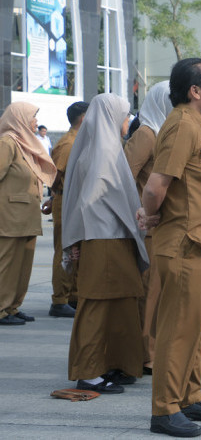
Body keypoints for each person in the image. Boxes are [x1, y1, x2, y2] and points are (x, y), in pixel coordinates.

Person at [138, 58, 201, 437]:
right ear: (195, 91)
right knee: (177, 330)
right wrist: (149, 216)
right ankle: (164, 409)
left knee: (193, 328)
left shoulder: (194, 125)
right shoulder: (181, 125)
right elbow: (155, 186)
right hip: (184, 243)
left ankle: (190, 396)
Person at [62, 93, 147, 393]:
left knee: (118, 303)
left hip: (112, 237)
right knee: (97, 305)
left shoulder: (104, 147)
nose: (127, 122)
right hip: (104, 238)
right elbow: (94, 199)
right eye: (124, 116)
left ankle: (110, 363)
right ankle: (89, 371)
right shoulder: (103, 152)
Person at [123, 81, 173, 375]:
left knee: (161, 293)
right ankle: (147, 354)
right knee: (150, 293)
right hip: (148, 227)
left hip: (165, 225)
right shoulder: (146, 133)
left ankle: (155, 350)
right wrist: (139, 212)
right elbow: (124, 177)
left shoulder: (167, 132)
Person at [0, 102, 56, 325]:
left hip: (26, 216)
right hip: (10, 216)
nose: (35, 122)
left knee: (23, 266)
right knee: (7, 265)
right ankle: (1, 308)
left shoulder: (24, 144)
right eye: (32, 117)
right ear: (19, 118)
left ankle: (13, 307)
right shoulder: (7, 143)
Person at [42, 101, 89, 318]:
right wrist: (54, 196)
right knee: (65, 249)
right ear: (82, 118)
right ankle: (59, 300)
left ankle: (73, 295)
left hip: (75, 201)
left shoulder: (79, 141)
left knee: (76, 250)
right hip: (66, 200)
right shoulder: (68, 144)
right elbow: (55, 175)